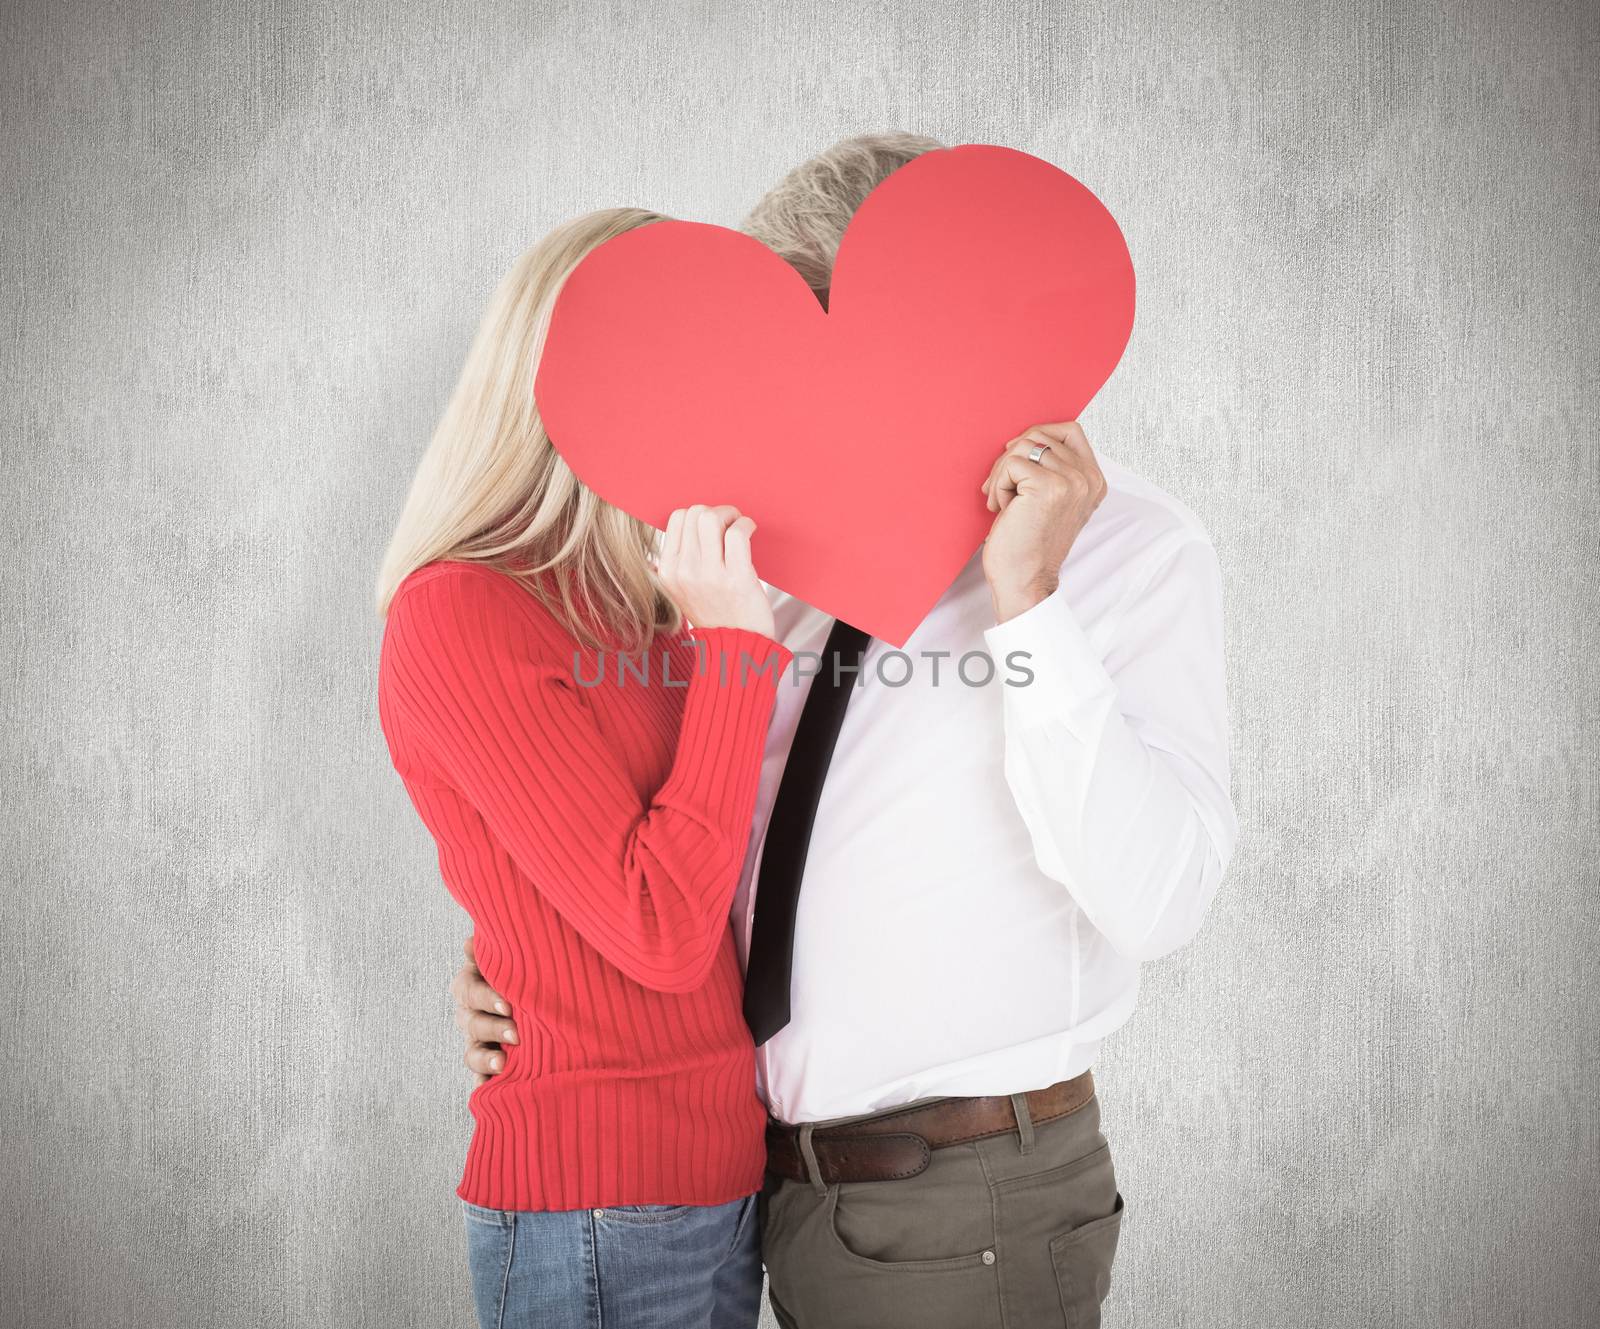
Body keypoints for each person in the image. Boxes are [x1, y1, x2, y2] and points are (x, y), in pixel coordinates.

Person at [453, 133, 1239, 1328]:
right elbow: (677, 823)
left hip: (962, 1201)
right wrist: (525, 965)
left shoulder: (1133, 551)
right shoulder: (749, 551)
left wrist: (1029, 602)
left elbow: (1158, 899)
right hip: (730, 1187)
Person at [375, 208, 792, 1329]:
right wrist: (740, 654)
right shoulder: (462, 610)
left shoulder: (653, 603)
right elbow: (658, 923)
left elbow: (650, 885)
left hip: (723, 1180)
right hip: (595, 1207)